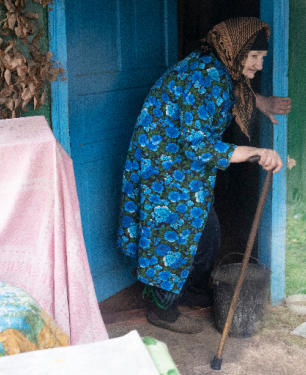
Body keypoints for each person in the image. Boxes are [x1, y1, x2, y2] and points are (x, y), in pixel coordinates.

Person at [116, 17, 291, 334]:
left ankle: (193, 291)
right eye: (255, 58)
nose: (259, 66)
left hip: (179, 162)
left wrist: (261, 103)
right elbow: (199, 145)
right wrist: (255, 153)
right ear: (237, 53)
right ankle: (161, 309)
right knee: (175, 233)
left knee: (205, 230)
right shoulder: (206, 77)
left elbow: (235, 93)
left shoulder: (220, 71)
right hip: (165, 165)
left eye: (262, 58)